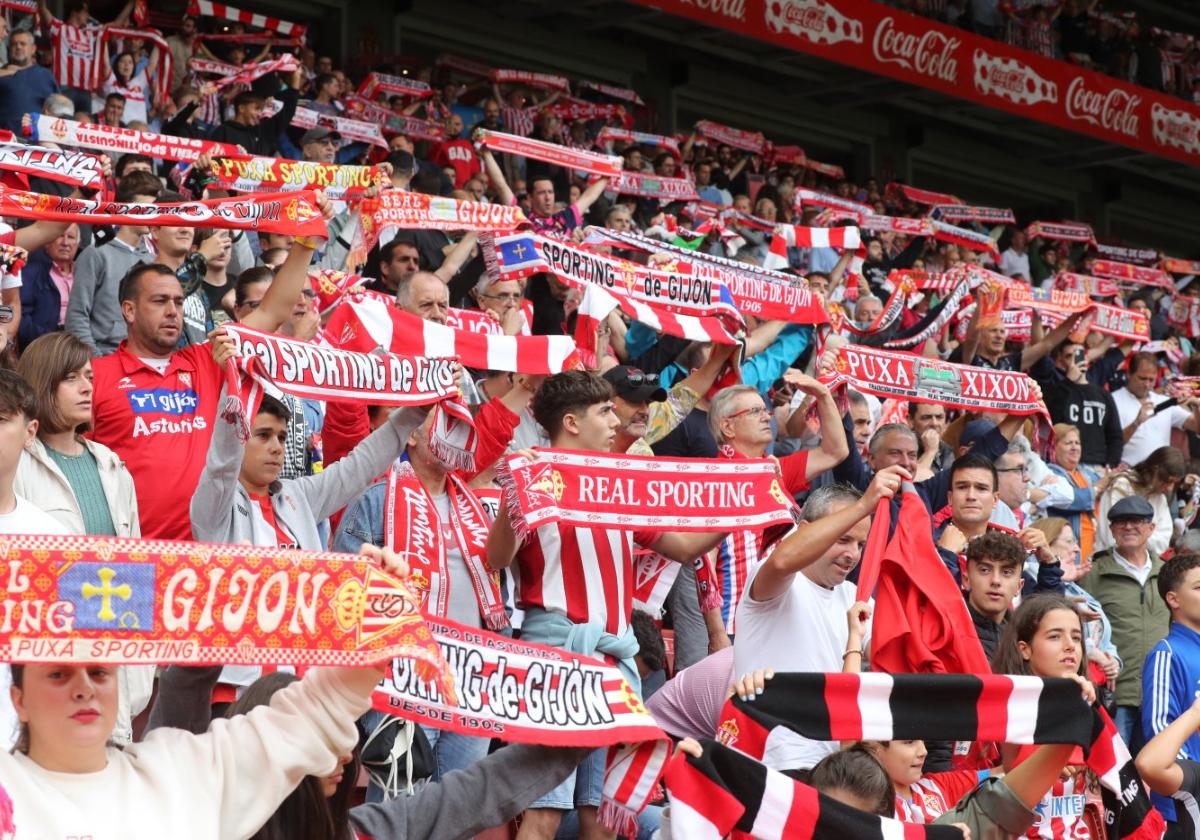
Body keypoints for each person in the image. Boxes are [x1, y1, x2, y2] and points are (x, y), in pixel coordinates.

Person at [486, 370, 728, 840]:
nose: (616, 420)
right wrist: (513, 498)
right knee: (544, 814)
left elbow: (680, 547)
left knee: (601, 820)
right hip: (555, 657)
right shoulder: (535, 474)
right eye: (604, 411)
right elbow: (497, 558)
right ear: (572, 422)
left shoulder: (618, 485)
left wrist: (743, 511)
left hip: (611, 666)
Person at [88, 198, 330, 541]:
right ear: (128, 310)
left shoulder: (208, 360)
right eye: (160, 301)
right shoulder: (97, 375)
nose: (173, 311)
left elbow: (274, 310)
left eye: (178, 301)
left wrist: (306, 241)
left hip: (213, 553)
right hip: (134, 556)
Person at [733, 472, 906, 769]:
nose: (852, 554)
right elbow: (783, 561)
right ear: (804, 531)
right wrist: (864, 506)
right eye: (843, 539)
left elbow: (890, 656)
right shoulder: (777, 580)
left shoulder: (855, 596)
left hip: (830, 768)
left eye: (861, 544)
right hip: (769, 762)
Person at [707, 378, 848, 636]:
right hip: (736, 628)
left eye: (766, 410)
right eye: (754, 412)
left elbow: (835, 452)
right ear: (727, 426)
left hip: (782, 623)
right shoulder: (715, 479)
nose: (766, 417)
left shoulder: (774, 470)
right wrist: (716, 634)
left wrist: (823, 395)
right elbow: (704, 563)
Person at [990, 594, 1101, 839]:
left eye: (1076, 637)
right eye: (1054, 636)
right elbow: (1012, 776)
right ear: (1025, 649)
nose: (1070, 645)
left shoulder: (1088, 703)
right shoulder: (1011, 708)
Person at [1078, 495, 1170, 750]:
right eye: (1120, 522)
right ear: (1111, 530)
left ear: (1151, 528)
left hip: (1161, 694)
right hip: (1115, 694)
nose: (1128, 527)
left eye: (1137, 521)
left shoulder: (1168, 573)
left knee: (1157, 774)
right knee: (1115, 776)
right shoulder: (1093, 574)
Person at [65, 170, 161, 355]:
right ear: (124, 207)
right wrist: (96, 362)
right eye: (146, 208)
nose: (153, 215)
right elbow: (76, 316)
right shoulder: (96, 254)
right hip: (104, 358)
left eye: (155, 209)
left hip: (143, 360)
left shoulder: (152, 260)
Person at [1140, 552, 1200, 827]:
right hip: (1183, 803)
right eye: (1199, 587)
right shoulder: (1167, 653)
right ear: (1173, 599)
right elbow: (1159, 728)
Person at [1027, 517, 1121, 692]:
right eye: (1069, 542)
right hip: (1058, 687)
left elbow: (1104, 635)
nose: (1077, 550)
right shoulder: (1029, 582)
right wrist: (1092, 652)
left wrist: (1113, 661)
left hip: (1093, 686)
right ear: (1045, 545)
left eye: (1076, 543)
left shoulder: (1075, 587)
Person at [480, 148, 608, 235]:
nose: (548, 198)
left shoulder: (565, 218)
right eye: (542, 193)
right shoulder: (523, 217)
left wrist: (609, 173)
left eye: (550, 192)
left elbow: (590, 195)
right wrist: (486, 153)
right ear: (530, 198)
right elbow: (502, 187)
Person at [1113, 351, 1200, 468]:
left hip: (1159, 476)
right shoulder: (1113, 400)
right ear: (1129, 374)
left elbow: (1197, 426)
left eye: (1151, 380)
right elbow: (1111, 443)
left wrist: (1195, 404)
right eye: (1142, 378)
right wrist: (1136, 423)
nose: (1147, 384)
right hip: (1127, 473)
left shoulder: (1164, 401)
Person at [1094, 446, 1185, 557]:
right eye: (1168, 481)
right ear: (1155, 471)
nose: (1170, 488)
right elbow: (1110, 537)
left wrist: (1136, 536)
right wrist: (1145, 535)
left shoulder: (1160, 498)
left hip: (1146, 565)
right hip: (1110, 562)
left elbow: (1163, 542)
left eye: (1174, 483)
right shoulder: (1122, 485)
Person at [960, 530, 1027, 659]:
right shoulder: (947, 629)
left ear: (1019, 586)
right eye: (985, 570)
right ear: (966, 580)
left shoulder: (1026, 636)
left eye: (1007, 572)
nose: (996, 581)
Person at [1045, 423, 1102, 561]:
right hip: (1071, 554)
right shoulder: (1049, 473)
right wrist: (1098, 488)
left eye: (1077, 443)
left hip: (1097, 550)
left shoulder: (1089, 475)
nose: (1075, 447)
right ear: (1054, 447)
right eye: (1068, 443)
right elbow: (1073, 500)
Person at [19, 224, 80, 346]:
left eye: (71, 237)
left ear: (78, 244)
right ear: (46, 242)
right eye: (60, 235)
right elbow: (20, 318)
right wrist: (51, 340)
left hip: (78, 346)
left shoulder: (84, 272)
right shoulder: (31, 271)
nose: (65, 242)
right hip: (42, 347)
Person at [0, 30, 60, 133]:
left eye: (23, 44)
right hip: (4, 141)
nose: (18, 47)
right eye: (14, 44)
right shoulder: (2, 73)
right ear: (9, 49)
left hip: (35, 141)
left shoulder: (45, 76)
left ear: (33, 49)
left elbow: (57, 108)